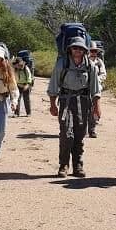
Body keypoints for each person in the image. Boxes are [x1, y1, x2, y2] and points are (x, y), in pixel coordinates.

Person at [48, 37, 100, 178]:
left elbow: (95, 89)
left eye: (80, 48)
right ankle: (63, 165)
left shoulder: (90, 66)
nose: (77, 50)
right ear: (70, 49)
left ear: (84, 50)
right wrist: (52, 104)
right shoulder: (62, 64)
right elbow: (53, 85)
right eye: (74, 48)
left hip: (83, 103)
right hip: (66, 102)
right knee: (66, 133)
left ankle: (78, 165)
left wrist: (97, 107)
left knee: (80, 134)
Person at [87, 41, 107, 138]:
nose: (93, 53)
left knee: (94, 109)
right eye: (92, 51)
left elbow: (104, 75)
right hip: (84, 89)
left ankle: (92, 129)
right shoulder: (83, 62)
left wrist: (96, 80)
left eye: (95, 51)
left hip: (96, 90)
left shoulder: (99, 62)